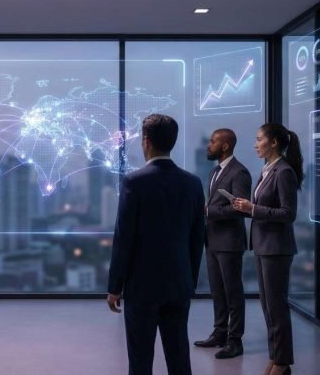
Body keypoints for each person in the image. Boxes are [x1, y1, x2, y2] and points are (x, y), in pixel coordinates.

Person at [107, 114, 205, 375]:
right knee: (179, 355)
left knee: (140, 359)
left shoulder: (134, 182)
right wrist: (189, 281)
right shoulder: (192, 183)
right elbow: (197, 238)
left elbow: (124, 238)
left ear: (146, 141)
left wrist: (115, 286)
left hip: (142, 287)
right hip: (179, 283)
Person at [232, 123, 303, 375]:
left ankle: (282, 363)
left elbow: (288, 213)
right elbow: (266, 210)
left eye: (259, 139)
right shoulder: (268, 170)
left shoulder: (283, 172)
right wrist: (247, 208)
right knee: (268, 307)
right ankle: (275, 357)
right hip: (264, 246)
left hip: (277, 248)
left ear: (274, 143)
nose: (255, 144)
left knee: (277, 307)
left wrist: (253, 209)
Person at [194, 128, 252, 359]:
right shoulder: (214, 172)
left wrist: (209, 211)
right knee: (217, 292)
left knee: (233, 293)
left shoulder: (239, 172)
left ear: (225, 145)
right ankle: (219, 334)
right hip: (213, 240)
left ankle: (235, 341)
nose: (209, 146)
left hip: (229, 242)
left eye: (213, 142)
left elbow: (240, 208)